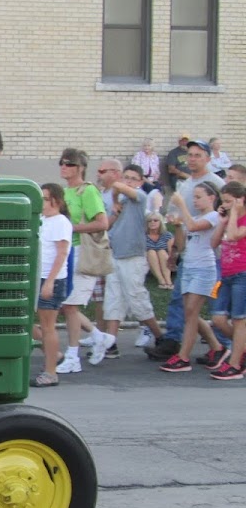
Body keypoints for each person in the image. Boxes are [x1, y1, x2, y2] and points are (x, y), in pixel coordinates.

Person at [146, 140, 226, 360]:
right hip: (189, 253)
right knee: (181, 301)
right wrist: (174, 253)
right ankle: (174, 340)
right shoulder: (186, 183)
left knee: (215, 302)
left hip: (214, 256)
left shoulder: (215, 183)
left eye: (198, 155)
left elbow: (224, 213)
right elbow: (176, 220)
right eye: (190, 155)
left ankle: (224, 346)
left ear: (208, 159)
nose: (192, 159)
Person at [89, 163, 165, 364]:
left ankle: (160, 337)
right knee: (113, 300)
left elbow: (119, 187)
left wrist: (116, 193)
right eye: (127, 177)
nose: (128, 181)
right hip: (115, 254)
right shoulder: (120, 200)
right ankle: (111, 343)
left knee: (136, 298)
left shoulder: (139, 198)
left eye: (133, 178)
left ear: (140, 182)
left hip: (133, 257)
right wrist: (115, 202)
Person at [159, 183, 223, 372]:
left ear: (211, 198)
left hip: (204, 269)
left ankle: (183, 357)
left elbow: (194, 227)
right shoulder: (194, 217)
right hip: (189, 267)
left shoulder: (213, 216)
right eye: (193, 197)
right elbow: (183, 242)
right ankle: (218, 348)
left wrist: (181, 205)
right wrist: (178, 226)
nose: (195, 201)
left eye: (198, 197)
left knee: (191, 312)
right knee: (190, 312)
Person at [57, 148, 108, 374]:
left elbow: (102, 222)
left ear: (80, 168)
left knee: (69, 306)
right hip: (65, 252)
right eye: (62, 163)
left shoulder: (87, 192)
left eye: (68, 164)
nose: (63, 167)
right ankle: (98, 336)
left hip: (81, 251)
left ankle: (72, 355)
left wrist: (70, 228)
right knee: (62, 304)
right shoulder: (65, 192)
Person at [31, 183, 72, 387]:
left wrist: (50, 282)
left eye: (46, 198)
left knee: (48, 326)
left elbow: (62, 253)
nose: (43, 202)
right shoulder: (41, 219)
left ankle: (50, 372)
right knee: (26, 323)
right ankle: (52, 353)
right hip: (37, 276)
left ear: (57, 200)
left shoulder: (60, 222)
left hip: (50, 278)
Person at [208, 182, 246, 378]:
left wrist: (234, 215)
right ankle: (241, 349)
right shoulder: (228, 219)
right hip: (227, 274)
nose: (225, 205)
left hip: (243, 274)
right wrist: (222, 221)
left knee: (239, 320)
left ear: (240, 200)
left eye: (229, 201)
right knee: (218, 318)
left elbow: (233, 236)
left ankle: (235, 364)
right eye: (223, 201)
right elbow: (213, 243)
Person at [144, 213, 174, 289]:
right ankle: (161, 280)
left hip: (166, 261)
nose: (152, 222)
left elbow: (172, 252)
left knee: (161, 251)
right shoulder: (142, 235)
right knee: (151, 252)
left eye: (155, 220)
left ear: (160, 222)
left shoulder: (167, 235)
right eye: (149, 221)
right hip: (148, 262)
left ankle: (168, 280)